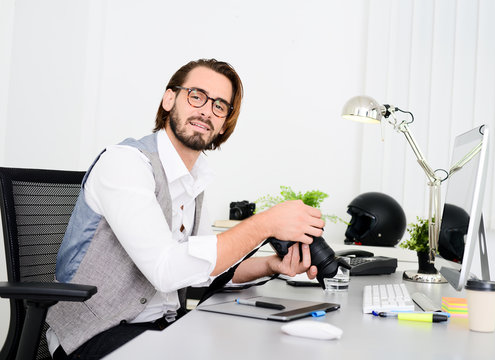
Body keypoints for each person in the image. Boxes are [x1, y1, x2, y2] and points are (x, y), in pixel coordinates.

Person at [46, 58, 324, 359]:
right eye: (197, 96)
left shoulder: (192, 181)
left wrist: (271, 265)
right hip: (95, 336)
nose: (206, 110)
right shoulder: (125, 163)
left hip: (161, 328)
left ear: (223, 123)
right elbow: (166, 270)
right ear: (169, 99)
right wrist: (265, 224)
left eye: (219, 105)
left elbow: (203, 272)